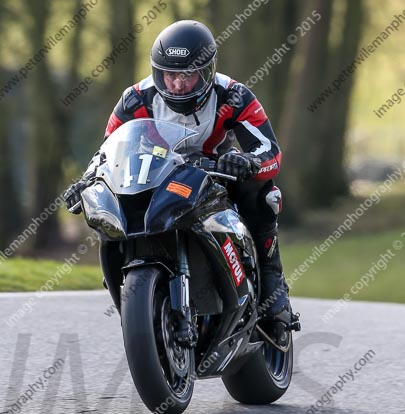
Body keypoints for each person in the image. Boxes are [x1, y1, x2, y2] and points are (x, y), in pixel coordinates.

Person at [65, 19, 295, 325]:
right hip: (158, 177)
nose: (176, 84)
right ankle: (126, 271)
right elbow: (107, 152)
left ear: (207, 72)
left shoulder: (234, 96)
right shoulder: (135, 99)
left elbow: (270, 152)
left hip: (216, 174)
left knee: (263, 192)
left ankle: (271, 278)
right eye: (169, 75)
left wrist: (247, 162)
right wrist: (87, 180)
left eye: (187, 76)